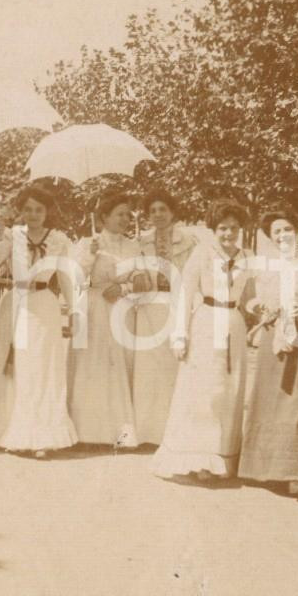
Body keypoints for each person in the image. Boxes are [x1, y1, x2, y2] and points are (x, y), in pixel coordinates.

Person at [0, 183, 78, 456]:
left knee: (42, 369)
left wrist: (74, 310)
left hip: (45, 307)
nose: (33, 214)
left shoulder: (58, 240)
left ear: (48, 212)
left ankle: (41, 438)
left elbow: (65, 277)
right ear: (20, 211)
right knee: (13, 367)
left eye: (39, 209)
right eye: (27, 209)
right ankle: (10, 431)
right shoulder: (11, 235)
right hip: (15, 304)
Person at [151, 199, 255, 480]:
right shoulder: (202, 253)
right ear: (213, 229)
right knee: (204, 393)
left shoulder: (247, 257)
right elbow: (185, 294)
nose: (228, 234)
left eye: (233, 228)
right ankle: (199, 460)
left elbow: (249, 296)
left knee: (229, 392)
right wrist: (180, 336)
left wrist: (259, 311)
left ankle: (223, 457)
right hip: (206, 322)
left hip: (234, 324)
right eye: (222, 228)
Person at [238, 208, 298, 497]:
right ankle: (264, 469)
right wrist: (260, 308)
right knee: (268, 401)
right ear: (270, 237)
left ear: (297, 232)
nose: (283, 235)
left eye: (287, 229)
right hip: (272, 337)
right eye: (276, 231)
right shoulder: (263, 267)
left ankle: (297, 473)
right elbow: (248, 299)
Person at [69, 191, 141, 448]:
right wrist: (89, 255)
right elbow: (75, 278)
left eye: (128, 214)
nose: (125, 219)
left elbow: (141, 279)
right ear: (103, 218)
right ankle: (89, 431)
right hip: (95, 309)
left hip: (123, 309)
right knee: (95, 365)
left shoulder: (134, 246)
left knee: (120, 365)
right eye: (119, 214)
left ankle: (120, 434)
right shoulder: (89, 243)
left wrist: (123, 289)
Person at [132, 190, 198, 445]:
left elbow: (194, 276)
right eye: (153, 211)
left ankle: (176, 433)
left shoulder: (189, 241)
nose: (158, 215)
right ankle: (149, 432)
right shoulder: (141, 242)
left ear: (173, 212)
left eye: (163, 209)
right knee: (149, 371)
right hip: (149, 308)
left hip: (178, 304)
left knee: (175, 368)